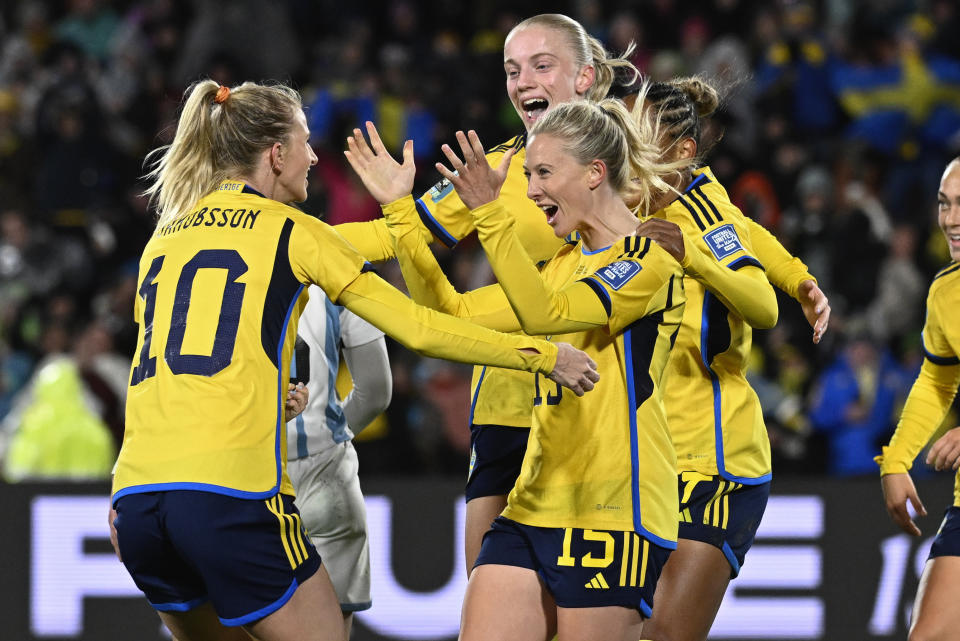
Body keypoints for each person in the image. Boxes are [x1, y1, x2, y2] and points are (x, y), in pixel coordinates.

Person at [109, 79, 599, 641]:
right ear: (275, 153)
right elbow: (420, 328)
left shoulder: (166, 237)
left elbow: (166, 372)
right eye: (304, 140)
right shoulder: (292, 231)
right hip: (232, 497)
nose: (314, 155)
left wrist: (400, 205)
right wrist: (541, 354)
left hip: (138, 502)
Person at [345, 97, 686, 640]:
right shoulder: (559, 266)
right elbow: (448, 314)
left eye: (544, 173)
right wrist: (401, 213)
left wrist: (488, 212)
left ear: (596, 172)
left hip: (613, 507)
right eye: (528, 176)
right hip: (532, 502)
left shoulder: (650, 259)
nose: (531, 192)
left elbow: (544, 315)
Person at [335, 13, 640, 573]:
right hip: (508, 397)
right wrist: (286, 236)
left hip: (604, 408)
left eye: (541, 65)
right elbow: (393, 237)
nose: (523, 81)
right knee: (488, 585)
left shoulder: (638, 171)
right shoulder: (494, 168)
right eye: (511, 69)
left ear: (586, 77)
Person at [627, 77, 830, 641]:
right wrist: (798, 276)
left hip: (713, 459)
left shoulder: (700, 215)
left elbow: (760, 305)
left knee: (663, 635)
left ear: (683, 151)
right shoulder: (634, 202)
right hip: (650, 456)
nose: (625, 147)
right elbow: (753, 232)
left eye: (640, 136)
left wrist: (691, 254)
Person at [878, 156, 960, 641]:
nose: (951, 220)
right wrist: (895, 461)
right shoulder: (947, 292)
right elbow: (936, 380)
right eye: (944, 205)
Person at [285, 286, 391, 639]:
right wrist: (329, 434)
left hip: (238, 476)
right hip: (325, 475)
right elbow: (376, 389)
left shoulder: (200, 255)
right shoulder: (339, 262)